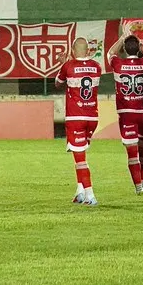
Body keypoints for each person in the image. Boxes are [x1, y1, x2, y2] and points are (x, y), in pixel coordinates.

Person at [54, 38, 103, 206]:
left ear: (73, 51)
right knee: (79, 154)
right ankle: (80, 192)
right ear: (88, 50)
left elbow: (58, 83)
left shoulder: (68, 66)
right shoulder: (97, 67)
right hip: (92, 117)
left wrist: (63, 63)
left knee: (80, 157)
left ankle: (90, 195)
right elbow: (83, 72)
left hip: (76, 117)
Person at [107, 32, 143, 195]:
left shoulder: (118, 63)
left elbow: (110, 53)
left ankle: (138, 188)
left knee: (131, 152)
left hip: (126, 112)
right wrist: (140, 43)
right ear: (138, 49)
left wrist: (121, 39)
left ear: (125, 50)